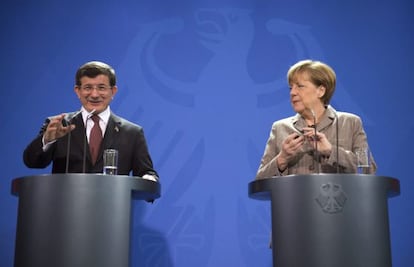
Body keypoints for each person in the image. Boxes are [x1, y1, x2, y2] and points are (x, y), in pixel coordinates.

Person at [23, 61, 158, 181]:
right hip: (65, 206)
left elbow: (146, 172)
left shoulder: (132, 133)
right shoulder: (58, 125)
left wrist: (148, 178)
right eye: (88, 88)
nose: (94, 94)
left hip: (113, 207)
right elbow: (32, 162)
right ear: (78, 91)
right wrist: (47, 140)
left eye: (101, 88)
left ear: (113, 91)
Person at [255, 59, 376, 179]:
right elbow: (260, 180)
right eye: (290, 87)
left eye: (300, 86)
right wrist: (282, 158)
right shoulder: (280, 128)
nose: (292, 92)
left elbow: (366, 167)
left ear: (321, 91)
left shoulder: (351, 123)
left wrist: (331, 151)